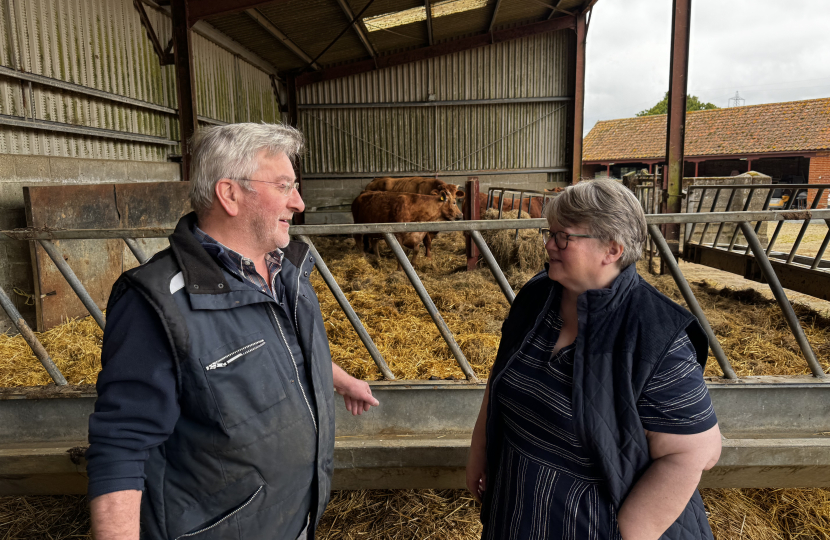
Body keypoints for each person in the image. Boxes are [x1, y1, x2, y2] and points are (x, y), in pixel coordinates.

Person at [86, 123, 379, 540]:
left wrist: (341, 380)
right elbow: (122, 445)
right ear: (230, 194)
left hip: (294, 518)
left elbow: (282, 350)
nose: (298, 202)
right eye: (284, 185)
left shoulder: (286, 268)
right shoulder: (157, 303)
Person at [466, 179, 722, 540]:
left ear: (612, 249)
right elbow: (500, 376)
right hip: (517, 502)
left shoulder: (654, 332)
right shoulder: (538, 296)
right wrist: (481, 451)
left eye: (563, 237)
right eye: (550, 233)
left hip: (593, 520)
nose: (548, 244)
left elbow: (699, 451)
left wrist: (633, 530)